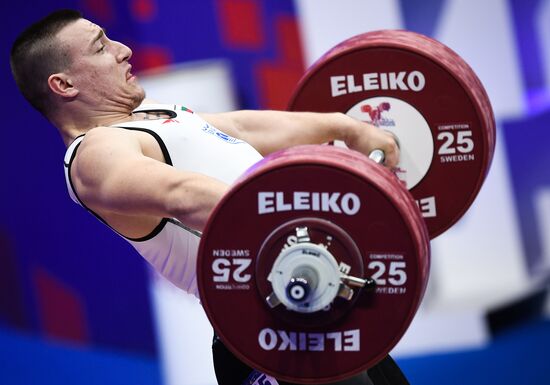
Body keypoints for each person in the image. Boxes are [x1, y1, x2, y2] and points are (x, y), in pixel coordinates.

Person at [10, 9, 405, 385]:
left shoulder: (150, 114)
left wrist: (343, 127)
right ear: (64, 85)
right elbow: (181, 194)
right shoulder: (93, 155)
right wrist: (307, 217)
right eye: (100, 47)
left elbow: (241, 126)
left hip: (316, 298)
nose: (122, 50)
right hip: (271, 331)